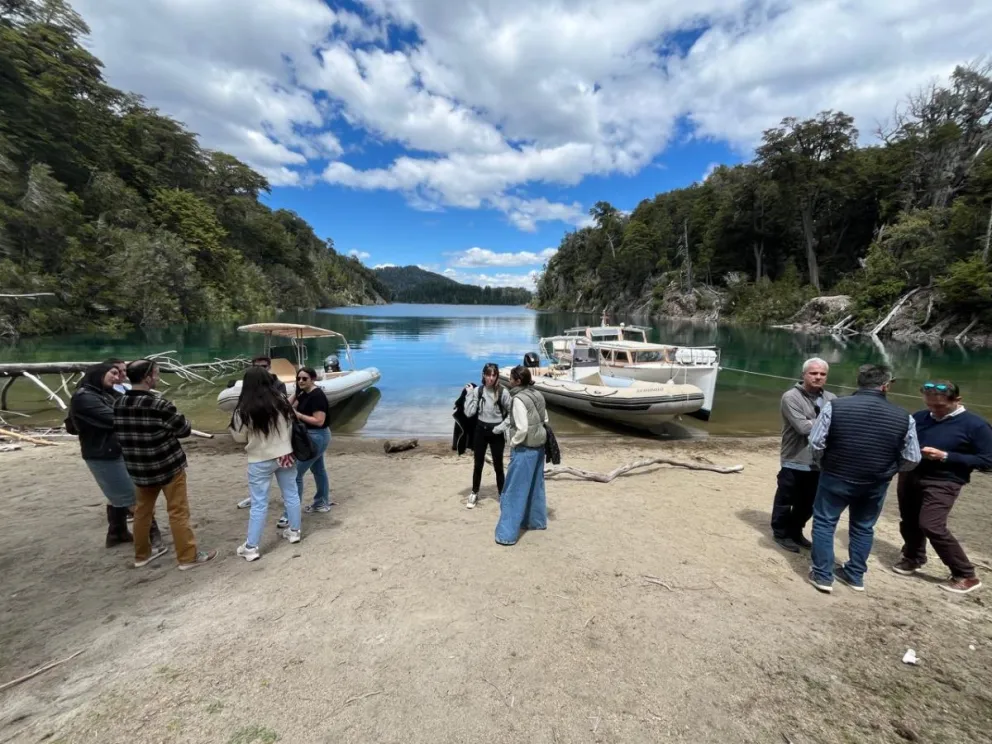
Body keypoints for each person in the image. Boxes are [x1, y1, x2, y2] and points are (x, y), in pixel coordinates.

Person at [807, 364, 921, 594]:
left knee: (825, 523)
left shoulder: (835, 406)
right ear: (886, 386)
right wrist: (889, 470)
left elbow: (816, 442)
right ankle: (855, 575)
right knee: (863, 527)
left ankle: (822, 576)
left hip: (836, 476)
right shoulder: (904, 416)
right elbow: (913, 457)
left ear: (858, 382)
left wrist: (823, 463)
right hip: (875, 482)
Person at [114, 359, 216, 570]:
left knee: (142, 512)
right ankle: (188, 557)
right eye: (157, 374)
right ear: (147, 377)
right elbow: (184, 429)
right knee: (178, 512)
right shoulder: (159, 404)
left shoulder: (118, 403)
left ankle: (142, 555)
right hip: (168, 466)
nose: (158, 378)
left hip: (139, 468)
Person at [892, 381, 992, 594]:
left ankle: (965, 574)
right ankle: (913, 556)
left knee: (931, 524)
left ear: (957, 401)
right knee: (909, 520)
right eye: (930, 405)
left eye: (939, 407)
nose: (933, 411)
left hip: (945, 480)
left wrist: (946, 456)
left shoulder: (976, 425)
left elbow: (987, 461)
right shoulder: (920, 417)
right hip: (911, 474)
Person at [68, 363, 162, 550]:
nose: (117, 377)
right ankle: (152, 535)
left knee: (119, 494)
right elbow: (115, 417)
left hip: (114, 450)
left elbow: (130, 403)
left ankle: (116, 533)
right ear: (98, 374)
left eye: (119, 373)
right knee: (133, 497)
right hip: (103, 454)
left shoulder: (105, 393)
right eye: (112, 373)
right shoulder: (84, 397)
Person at [229, 367, 303, 561]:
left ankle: (251, 547)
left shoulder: (243, 408)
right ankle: (294, 531)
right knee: (291, 493)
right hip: (285, 454)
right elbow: (290, 425)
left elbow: (238, 437)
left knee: (259, 503)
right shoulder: (282, 402)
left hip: (260, 458)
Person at [770, 358, 836, 553]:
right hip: (795, 458)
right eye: (813, 373)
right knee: (786, 499)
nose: (818, 377)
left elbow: (837, 424)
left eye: (822, 374)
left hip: (820, 461)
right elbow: (802, 427)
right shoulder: (791, 397)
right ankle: (781, 533)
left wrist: (819, 423)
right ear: (803, 375)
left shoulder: (832, 398)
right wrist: (827, 423)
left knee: (809, 503)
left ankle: (796, 531)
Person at [494, 365, 548, 546]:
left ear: (517, 381)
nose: (508, 381)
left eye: (510, 378)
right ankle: (535, 522)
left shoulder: (518, 399)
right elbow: (545, 419)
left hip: (524, 448)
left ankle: (506, 535)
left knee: (514, 490)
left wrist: (514, 442)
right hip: (539, 446)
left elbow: (522, 428)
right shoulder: (537, 394)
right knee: (535, 487)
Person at [276, 366, 331, 529]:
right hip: (308, 436)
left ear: (313, 379)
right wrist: (295, 391)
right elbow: (285, 405)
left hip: (317, 436)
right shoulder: (302, 391)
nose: (301, 381)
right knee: (318, 469)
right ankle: (321, 503)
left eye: (304, 379)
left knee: (295, 474)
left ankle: (289, 514)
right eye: (298, 378)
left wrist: (298, 415)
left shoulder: (317, 396)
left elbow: (319, 420)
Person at [463, 362, 511, 509]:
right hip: (480, 431)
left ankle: (502, 494)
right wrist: (469, 394)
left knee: (498, 466)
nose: (491, 378)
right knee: (478, 464)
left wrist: (500, 428)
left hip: (497, 432)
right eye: (488, 374)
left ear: (497, 376)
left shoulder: (503, 392)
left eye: (494, 375)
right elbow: (469, 412)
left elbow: (511, 413)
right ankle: (474, 492)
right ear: (483, 375)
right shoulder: (479, 391)